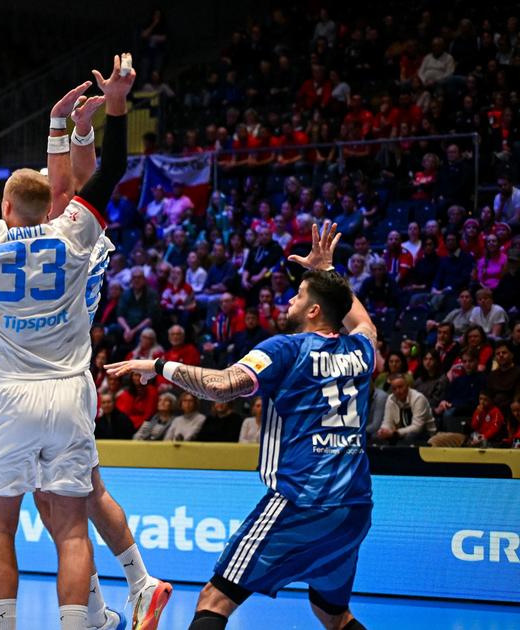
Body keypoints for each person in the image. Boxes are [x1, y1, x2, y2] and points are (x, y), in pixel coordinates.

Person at [0, 57, 165, 630]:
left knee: (1, 526)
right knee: (72, 528)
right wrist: (116, 105)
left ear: (4, 209)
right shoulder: (77, 234)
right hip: (71, 390)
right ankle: (94, 616)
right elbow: (111, 169)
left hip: (10, 395)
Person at [108, 221, 376, 630]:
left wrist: (158, 364)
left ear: (314, 311)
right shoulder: (360, 351)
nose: (290, 299)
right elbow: (365, 325)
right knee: (333, 612)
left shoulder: (286, 348)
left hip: (302, 498)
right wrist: (329, 273)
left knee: (215, 597)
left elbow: (221, 386)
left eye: (299, 294)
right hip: (355, 506)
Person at [375, 374, 436, 446]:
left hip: (425, 434)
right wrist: (383, 431)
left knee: (410, 437)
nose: (398, 391)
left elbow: (417, 427)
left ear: (407, 386)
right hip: (400, 433)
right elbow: (387, 421)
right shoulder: (391, 399)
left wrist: (395, 433)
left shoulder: (418, 398)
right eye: (394, 389)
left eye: (400, 387)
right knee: (377, 437)